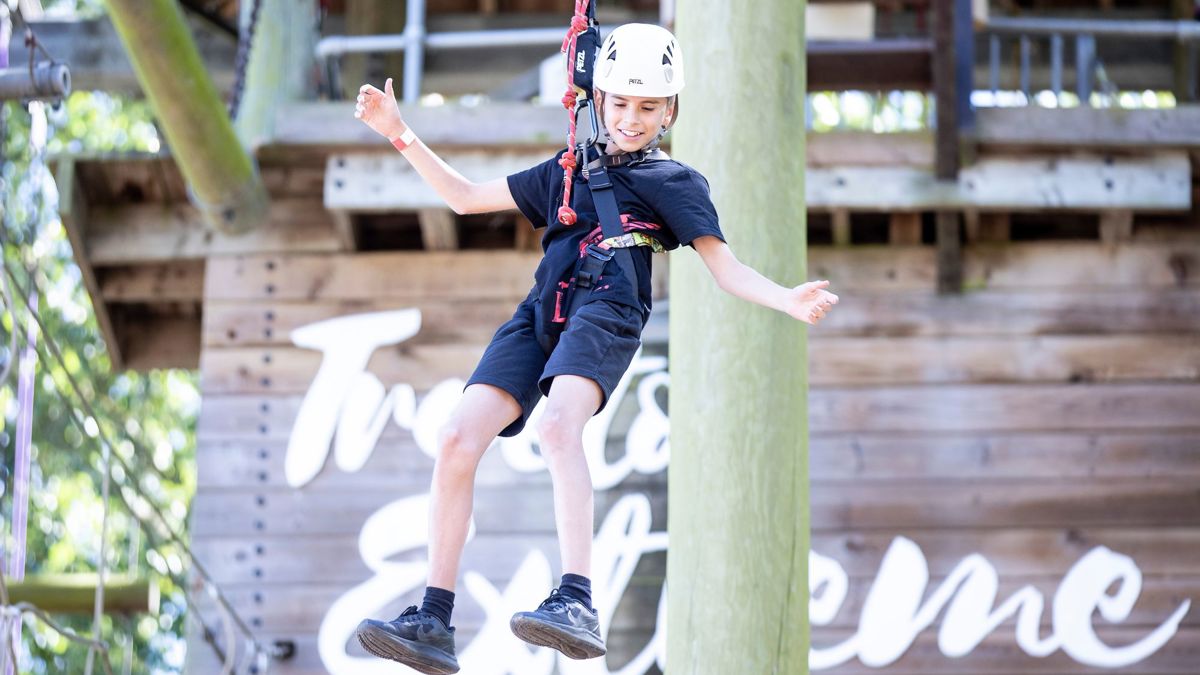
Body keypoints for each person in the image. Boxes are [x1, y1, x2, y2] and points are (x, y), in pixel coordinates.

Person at [351, 23, 838, 675]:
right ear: (597, 100)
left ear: (670, 111)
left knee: (558, 428)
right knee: (455, 438)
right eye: (621, 103)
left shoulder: (674, 181)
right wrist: (400, 133)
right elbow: (465, 198)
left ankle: (576, 599)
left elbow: (726, 269)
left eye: (648, 106)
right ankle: (432, 617)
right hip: (541, 308)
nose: (633, 119)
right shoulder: (565, 171)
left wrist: (786, 298)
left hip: (609, 303)